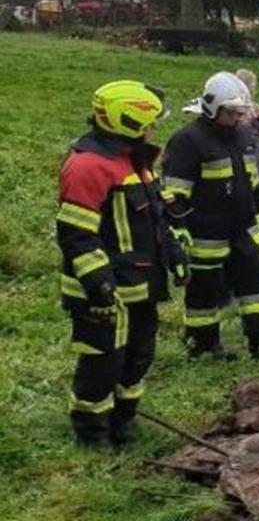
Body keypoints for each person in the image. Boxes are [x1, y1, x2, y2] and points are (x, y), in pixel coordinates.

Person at [57, 80, 187, 448]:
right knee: (102, 363)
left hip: (141, 283)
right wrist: (98, 282)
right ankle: (92, 433)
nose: (153, 129)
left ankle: (124, 422)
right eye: (148, 122)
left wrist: (174, 251)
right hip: (106, 290)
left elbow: (156, 217)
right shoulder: (88, 166)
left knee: (138, 358)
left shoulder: (135, 159)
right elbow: (76, 235)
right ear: (126, 121)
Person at [163, 72, 259, 360]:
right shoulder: (188, 140)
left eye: (241, 113)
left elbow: (253, 183)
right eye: (231, 113)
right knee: (204, 292)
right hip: (207, 234)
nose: (238, 118)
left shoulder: (242, 136)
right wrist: (180, 230)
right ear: (213, 108)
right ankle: (202, 345)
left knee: (256, 288)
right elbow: (174, 194)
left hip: (244, 229)